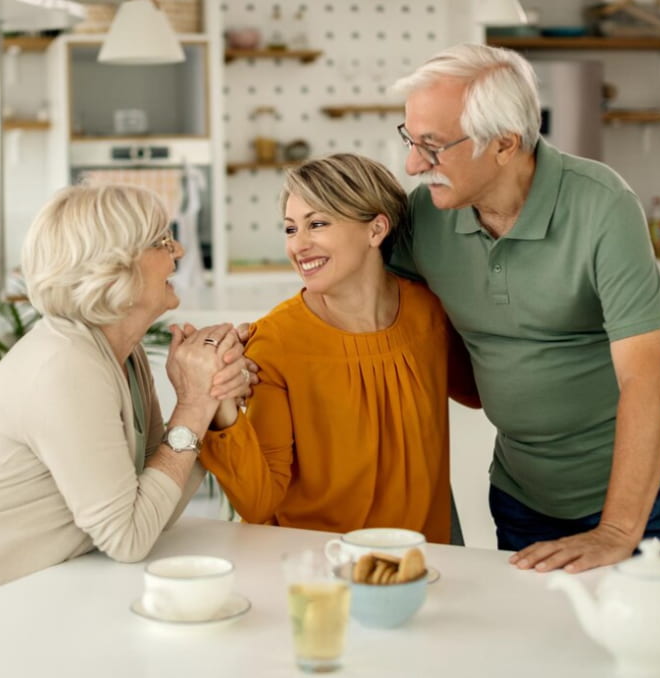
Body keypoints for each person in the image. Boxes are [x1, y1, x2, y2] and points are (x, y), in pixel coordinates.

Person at [388, 43, 660, 571]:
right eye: (410, 139)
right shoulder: (428, 216)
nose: (413, 164)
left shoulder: (602, 205)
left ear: (504, 144)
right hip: (525, 490)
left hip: (646, 501)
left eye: (433, 145)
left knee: (638, 647)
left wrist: (616, 531)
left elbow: (648, 380)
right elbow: (376, 310)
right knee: (535, 649)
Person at [0, 185, 253, 625]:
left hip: (20, 610)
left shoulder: (120, 353)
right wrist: (194, 404)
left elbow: (154, 512)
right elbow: (128, 538)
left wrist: (209, 401)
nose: (180, 250)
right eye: (162, 241)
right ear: (114, 267)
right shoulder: (64, 366)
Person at [199, 153, 479, 542]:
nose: (299, 245)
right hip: (317, 566)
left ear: (376, 229)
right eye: (290, 229)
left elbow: (480, 393)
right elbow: (258, 500)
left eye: (317, 224)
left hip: (423, 558)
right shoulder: (277, 341)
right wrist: (223, 404)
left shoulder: (430, 313)